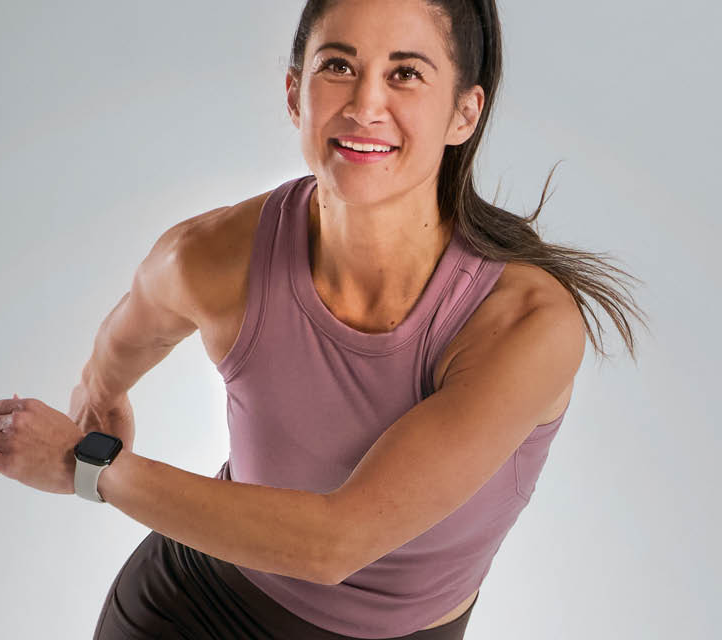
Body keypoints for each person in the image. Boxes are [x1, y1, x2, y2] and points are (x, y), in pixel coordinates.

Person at [83, 0, 648, 638]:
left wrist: (92, 472)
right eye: (338, 65)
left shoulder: (523, 323)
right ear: (295, 94)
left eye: (405, 73)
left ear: (465, 112)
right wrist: (101, 396)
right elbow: (126, 336)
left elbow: (336, 545)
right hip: (189, 609)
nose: (364, 104)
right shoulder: (210, 258)